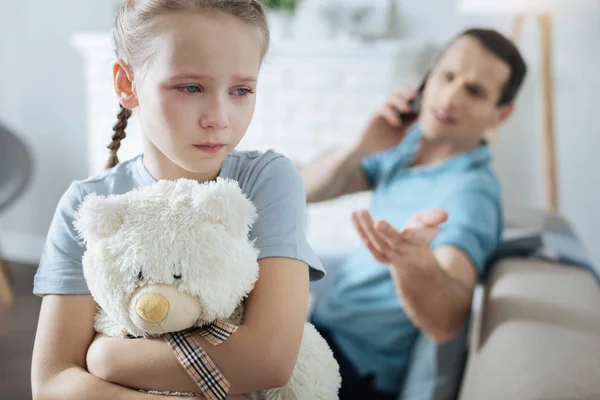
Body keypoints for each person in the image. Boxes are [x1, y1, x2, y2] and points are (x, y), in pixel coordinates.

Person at [30, 1, 326, 399]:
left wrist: (106, 359)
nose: (219, 117)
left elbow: (269, 359)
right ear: (126, 84)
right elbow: (52, 382)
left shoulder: (266, 180)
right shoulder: (87, 204)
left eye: (241, 90)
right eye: (190, 87)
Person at [300, 28, 528, 399]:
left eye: (474, 91)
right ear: (429, 76)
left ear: (500, 114)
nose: (450, 98)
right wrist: (359, 145)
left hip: (354, 370)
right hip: (318, 335)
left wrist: (412, 263)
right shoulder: (407, 149)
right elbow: (304, 189)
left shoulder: (471, 192)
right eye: (448, 76)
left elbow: (447, 319)